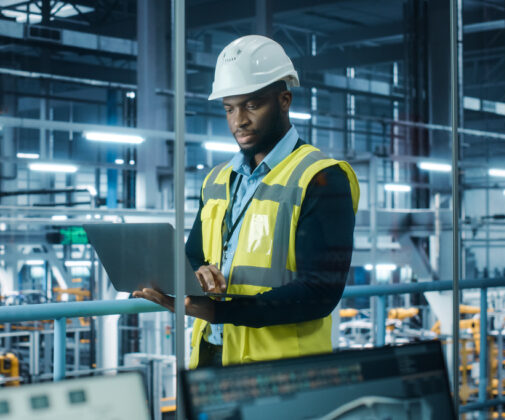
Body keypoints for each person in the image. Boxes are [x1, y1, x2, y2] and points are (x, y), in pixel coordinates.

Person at [133, 35, 359, 368]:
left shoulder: (321, 178)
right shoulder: (218, 179)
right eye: (229, 108)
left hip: (282, 370)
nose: (239, 120)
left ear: (284, 100)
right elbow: (194, 253)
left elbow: (319, 293)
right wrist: (198, 274)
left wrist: (218, 311)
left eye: (252, 105)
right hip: (213, 355)